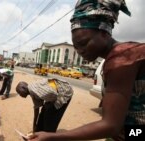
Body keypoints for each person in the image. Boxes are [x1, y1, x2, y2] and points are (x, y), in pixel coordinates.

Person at [28, 0, 145, 141]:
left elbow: (110, 125)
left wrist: (54, 137)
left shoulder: (121, 59)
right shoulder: (120, 55)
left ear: (104, 32)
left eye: (84, 43)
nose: (80, 51)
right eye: (76, 46)